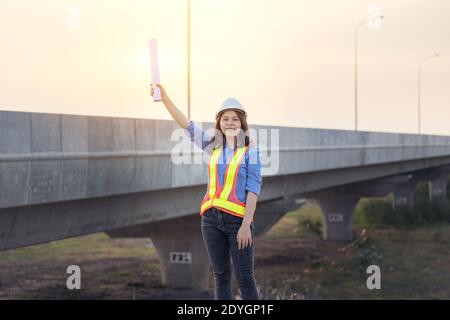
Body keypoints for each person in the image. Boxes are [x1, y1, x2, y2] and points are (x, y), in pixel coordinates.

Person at [150, 83, 262, 300]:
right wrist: (164, 98)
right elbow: (186, 125)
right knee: (220, 276)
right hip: (210, 220)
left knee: (245, 278)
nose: (230, 123)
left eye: (235, 119)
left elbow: (253, 189)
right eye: (225, 118)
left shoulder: (251, 151)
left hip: (238, 221)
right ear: (219, 122)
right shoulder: (213, 146)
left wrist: (246, 225)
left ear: (242, 123)